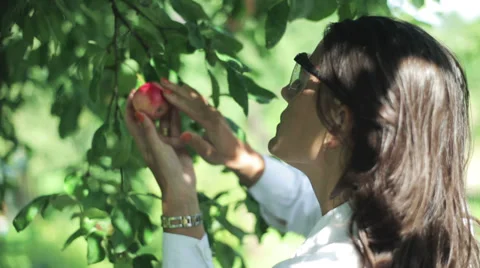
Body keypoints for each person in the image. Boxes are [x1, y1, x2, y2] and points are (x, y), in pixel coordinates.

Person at [124, 16, 480, 267]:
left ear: (339, 119)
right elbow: (315, 209)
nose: (286, 90)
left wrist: (179, 199)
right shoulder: (443, 237)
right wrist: (242, 160)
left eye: (302, 77)